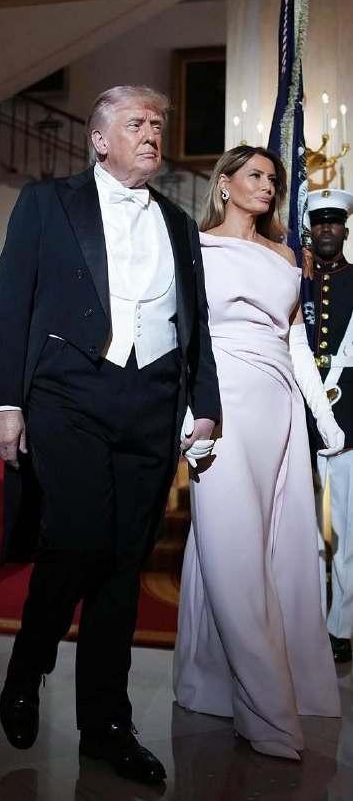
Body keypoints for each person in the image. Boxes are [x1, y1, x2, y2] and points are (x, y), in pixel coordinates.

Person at [0, 85, 220, 786]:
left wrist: (202, 405)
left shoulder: (178, 221)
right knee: (79, 536)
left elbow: (196, 325)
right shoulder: (46, 203)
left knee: (123, 564)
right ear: (98, 138)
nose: (152, 133)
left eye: (158, 123)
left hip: (153, 399)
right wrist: (4, 402)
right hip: (69, 392)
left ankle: (106, 726)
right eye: (137, 123)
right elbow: (12, 301)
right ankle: (29, 664)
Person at [173, 146, 343, 762]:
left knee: (277, 543)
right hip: (220, 402)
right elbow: (184, 334)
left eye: (273, 178)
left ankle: (214, 678)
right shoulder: (194, 247)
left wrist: (323, 419)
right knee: (230, 541)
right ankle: (265, 710)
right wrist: (189, 415)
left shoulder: (286, 255)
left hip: (279, 407)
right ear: (224, 184)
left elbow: (295, 344)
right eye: (255, 175)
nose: (268, 186)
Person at [308, 187, 353, 664]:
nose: (326, 228)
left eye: (333, 221)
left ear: (344, 229)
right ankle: (304, 619)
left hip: (349, 417)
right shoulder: (296, 281)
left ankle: (341, 626)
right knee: (300, 530)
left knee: (345, 530)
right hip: (297, 418)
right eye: (319, 220)